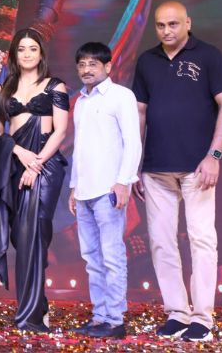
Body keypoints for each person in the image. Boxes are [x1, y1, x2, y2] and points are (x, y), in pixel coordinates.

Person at [132, 1, 222, 343]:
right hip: (155, 169)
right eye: (160, 25)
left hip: (198, 168)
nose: (166, 30)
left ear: (188, 23)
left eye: (173, 24)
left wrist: (214, 155)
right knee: (161, 243)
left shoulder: (208, 56)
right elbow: (140, 113)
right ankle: (177, 313)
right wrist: (134, 165)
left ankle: (202, 318)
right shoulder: (147, 61)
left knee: (202, 240)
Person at [0, 28, 68, 332]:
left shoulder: (54, 85)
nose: (27, 54)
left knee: (34, 233)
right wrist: (18, 152)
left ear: (41, 53)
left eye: (32, 48)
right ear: (14, 54)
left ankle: (30, 315)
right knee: (20, 237)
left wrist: (36, 164)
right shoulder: (4, 88)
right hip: (15, 163)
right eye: (21, 49)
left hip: (45, 165)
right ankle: (38, 303)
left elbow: (61, 131)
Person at [68, 42, 141, 339]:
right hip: (84, 191)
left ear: (108, 66)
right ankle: (100, 317)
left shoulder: (121, 96)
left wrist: (124, 182)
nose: (87, 69)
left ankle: (115, 319)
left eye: (93, 64)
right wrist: (73, 187)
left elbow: (133, 142)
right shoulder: (81, 102)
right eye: (82, 64)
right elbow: (79, 149)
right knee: (91, 258)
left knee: (112, 256)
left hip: (109, 189)